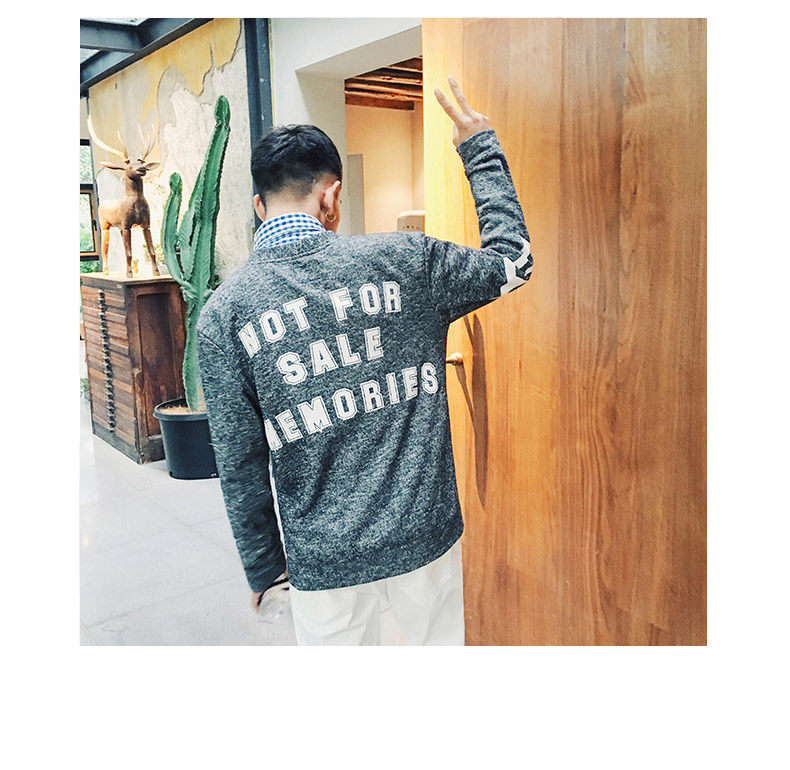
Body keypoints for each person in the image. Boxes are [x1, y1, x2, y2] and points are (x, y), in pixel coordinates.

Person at [196, 76, 534, 645]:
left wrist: (265, 569)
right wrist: (479, 148)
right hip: (423, 535)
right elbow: (513, 262)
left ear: (259, 206)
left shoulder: (223, 315)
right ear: (332, 198)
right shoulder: (407, 260)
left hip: (321, 559)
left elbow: (239, 460)